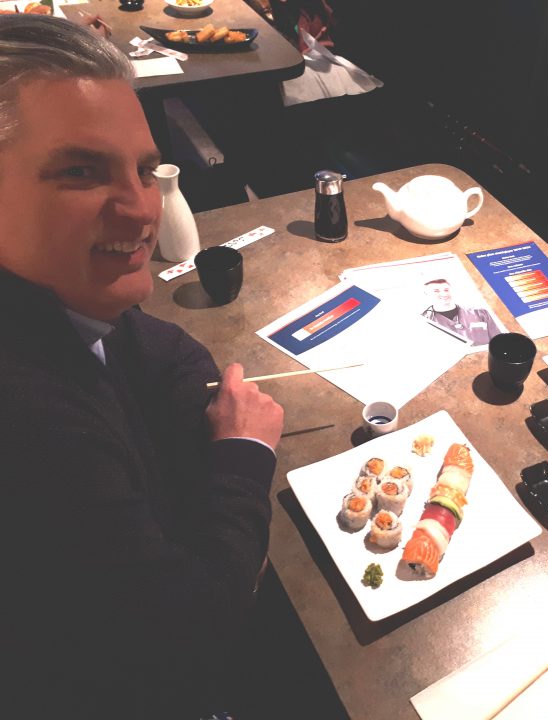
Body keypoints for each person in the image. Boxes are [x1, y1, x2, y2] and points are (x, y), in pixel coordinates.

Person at [0, 16, 284, 719]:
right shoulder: (30, 423)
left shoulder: (53, 299)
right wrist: (244, 455)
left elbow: (153, 343)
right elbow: (189, 632)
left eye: (142, 170)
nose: (140, 208)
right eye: (80, 171)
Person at [421, 277, 501, 346]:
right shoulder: (423, 320)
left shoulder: (481, 313)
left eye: (446, 290)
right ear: (426, 294)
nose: (444, 294)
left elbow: (498, 341)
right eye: (436, 291)